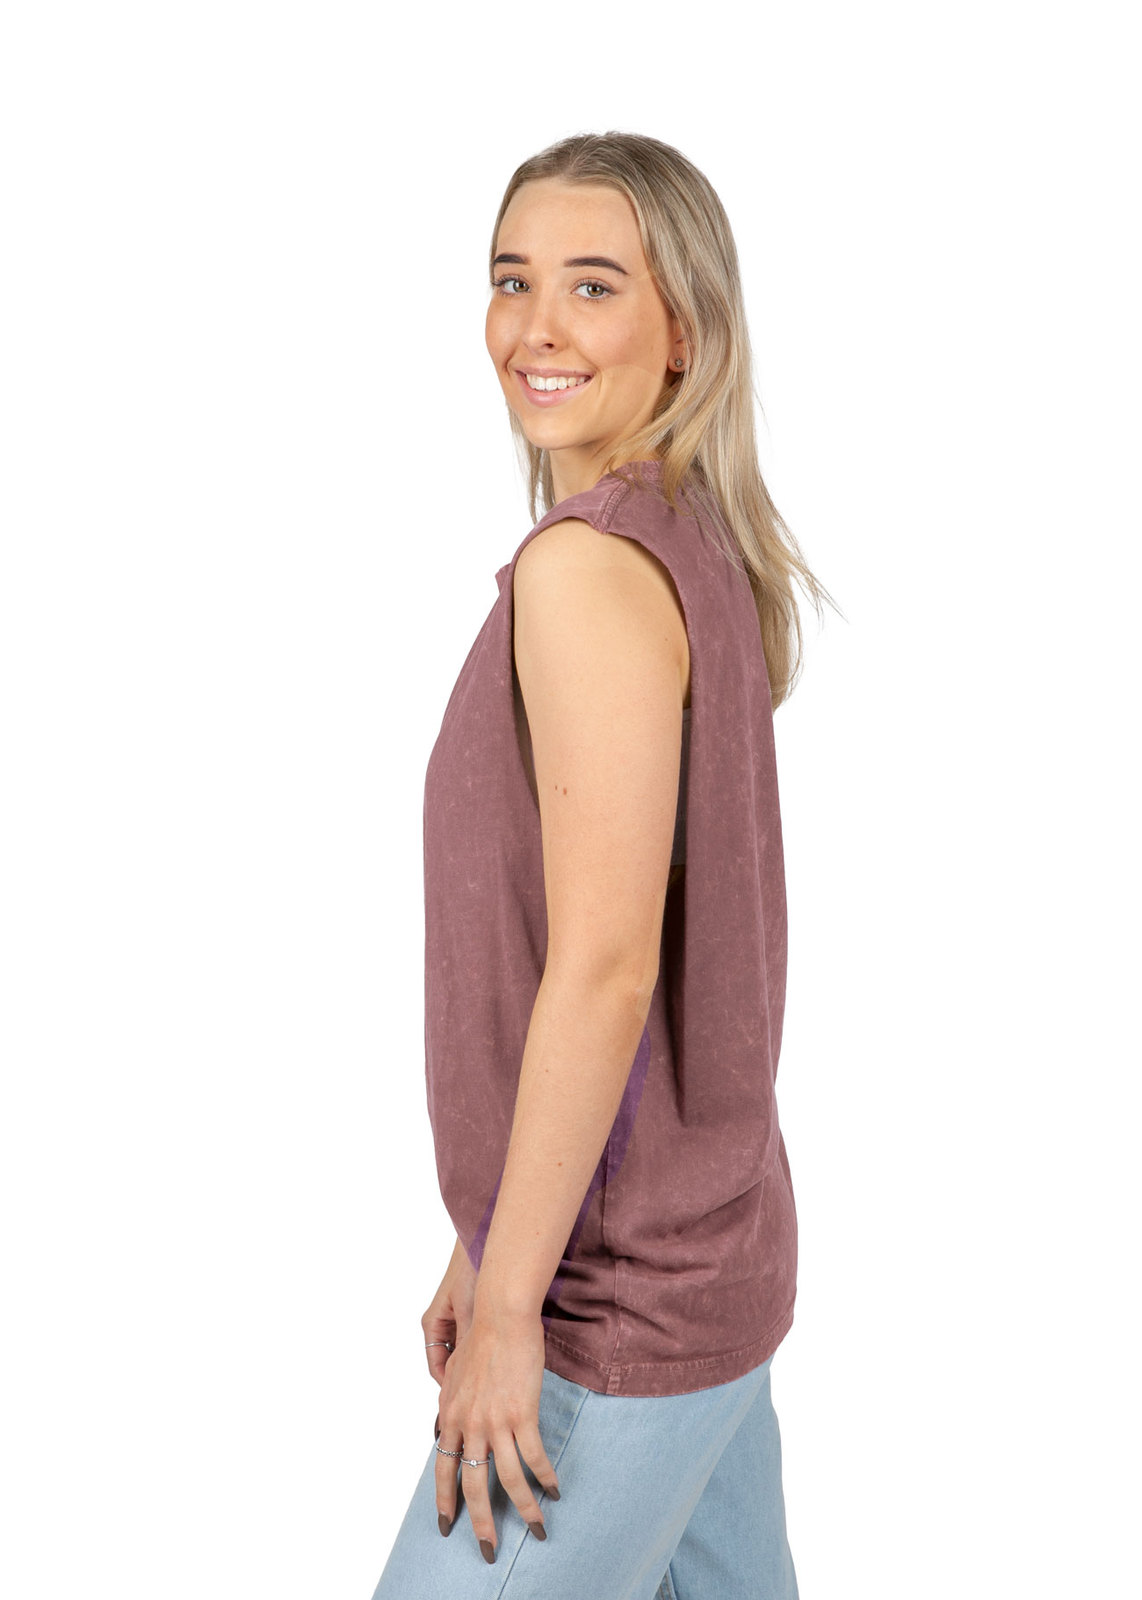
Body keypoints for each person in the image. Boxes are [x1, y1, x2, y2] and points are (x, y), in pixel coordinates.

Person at [369, 130, 836, 1599]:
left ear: (682, 329)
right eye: (512, 280)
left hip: (614, 1312)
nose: (537, 327)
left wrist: (514, 1298)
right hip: (708, 1258)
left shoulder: (584, 569)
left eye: (591, 285)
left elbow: (608, 968)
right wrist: (490, 1229)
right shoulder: (689, 542)